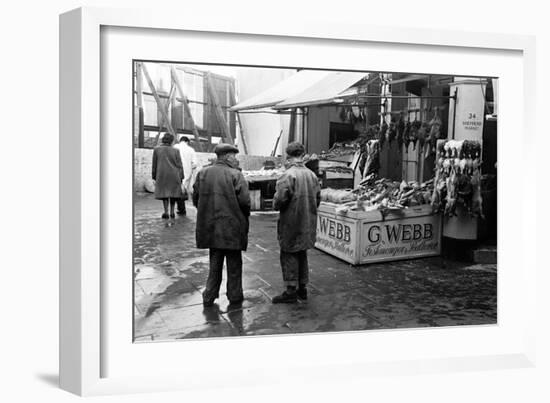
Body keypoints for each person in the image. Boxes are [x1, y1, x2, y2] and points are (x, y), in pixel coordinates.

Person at [192, 143, 250, 307]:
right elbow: (245, 201)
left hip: (211, 227)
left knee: (214, 263)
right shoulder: (235, 174)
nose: (235, 159)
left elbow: (195, 197)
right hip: (232, 226)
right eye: (234, 156)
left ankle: (209, 295)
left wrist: (205, 211)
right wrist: (244, 215)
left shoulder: (203, 173)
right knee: (234, 264)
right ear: (227, 156)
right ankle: (235, 295)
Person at [272, 142, 321, 304]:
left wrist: (276, 205)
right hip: (307, 221)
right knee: (302, 253)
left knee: (289, 253)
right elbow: (318, 199)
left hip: (291, 222)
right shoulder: (312, 175)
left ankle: (290, 290)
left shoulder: (287, 175)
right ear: (302, 154)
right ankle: (302, 288)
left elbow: (279, 200)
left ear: (288, 156)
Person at [152, 133, 184, 219]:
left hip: (162, 174)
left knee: (164, 194)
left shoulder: (157, 150)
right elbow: (180, 165)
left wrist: (154, 176)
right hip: (174, 174)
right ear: (171, 141)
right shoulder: (176, 151)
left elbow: (154, 164)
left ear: (163, 139)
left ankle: (166, 212)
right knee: (173, 193)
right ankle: (172, 212)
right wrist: (181, 177)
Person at [174, 135, 197, 216]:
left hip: (175, 171)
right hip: (187, 172)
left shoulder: (175, 147)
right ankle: (181, 208)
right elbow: (194, 164)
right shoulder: (191, 150)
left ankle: (179, 209)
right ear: (187, 142)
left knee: (176, 190)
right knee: (183, 190)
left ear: (180, 141)